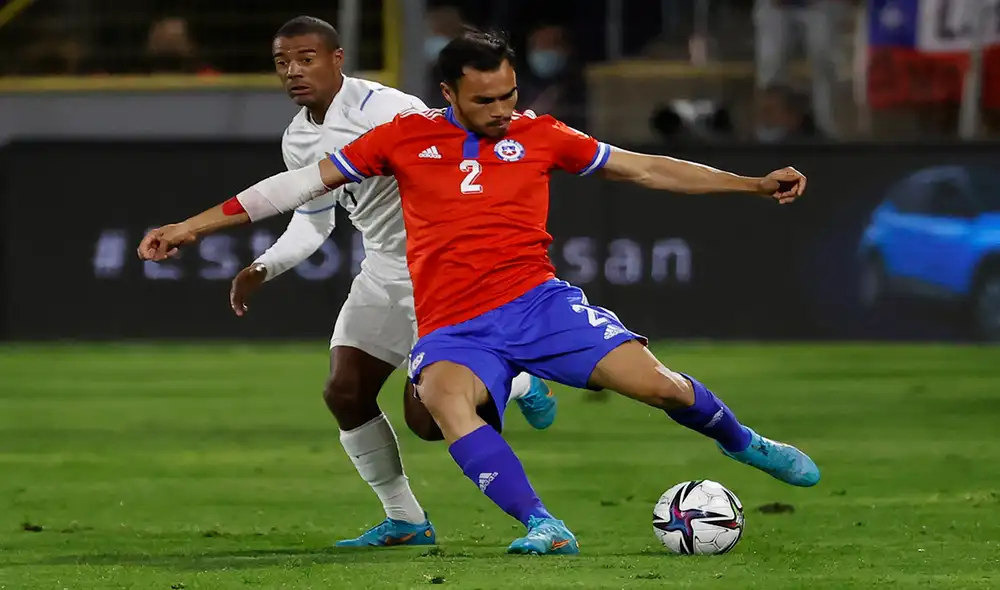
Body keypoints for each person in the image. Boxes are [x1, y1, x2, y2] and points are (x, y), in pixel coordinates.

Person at [137, 27, 820, 556]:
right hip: (453, 325)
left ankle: (742, 441)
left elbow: (644, 169)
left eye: (510, 96)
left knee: (661, 388)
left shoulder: (541, 135)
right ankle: (544, 525)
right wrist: (191, 226)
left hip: (538, 304)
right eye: (486, 100)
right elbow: (294, 187)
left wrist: (750, 183)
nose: (502, 111)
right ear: (449, 94)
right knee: (439, 404)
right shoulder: (402, 139)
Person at [226, 16, 557, 548]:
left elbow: (462, 142)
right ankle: (405, 518)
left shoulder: (388, 109)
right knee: (345, 392)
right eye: (283, 62)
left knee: (427, 422)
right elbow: (314, 220)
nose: (293, 71)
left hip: (438, 275)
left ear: (337, 59)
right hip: (381, 269)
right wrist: (265, 266)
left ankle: (515, 380)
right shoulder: (299, 138)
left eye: (306, 58)